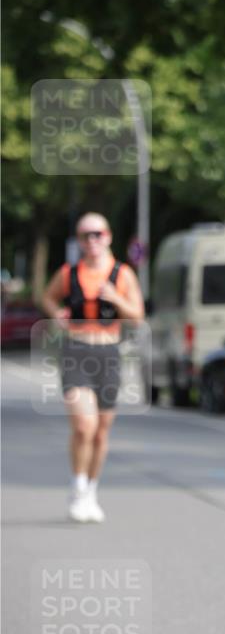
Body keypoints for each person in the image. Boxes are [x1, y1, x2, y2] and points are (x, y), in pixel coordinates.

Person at [40, 212, 145, 522]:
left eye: (97, 234)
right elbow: (47, 297)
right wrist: (55, 313)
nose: (92, 240)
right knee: (84, 426)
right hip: (76, 350)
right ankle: (77, 486)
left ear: (108, 236)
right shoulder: (68, 272)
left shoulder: (122, 274)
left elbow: (137, 317)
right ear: (79, 241)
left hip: (109, 353)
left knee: (100, 432)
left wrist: (116, 298)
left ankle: (91, 492)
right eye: (85, 235)